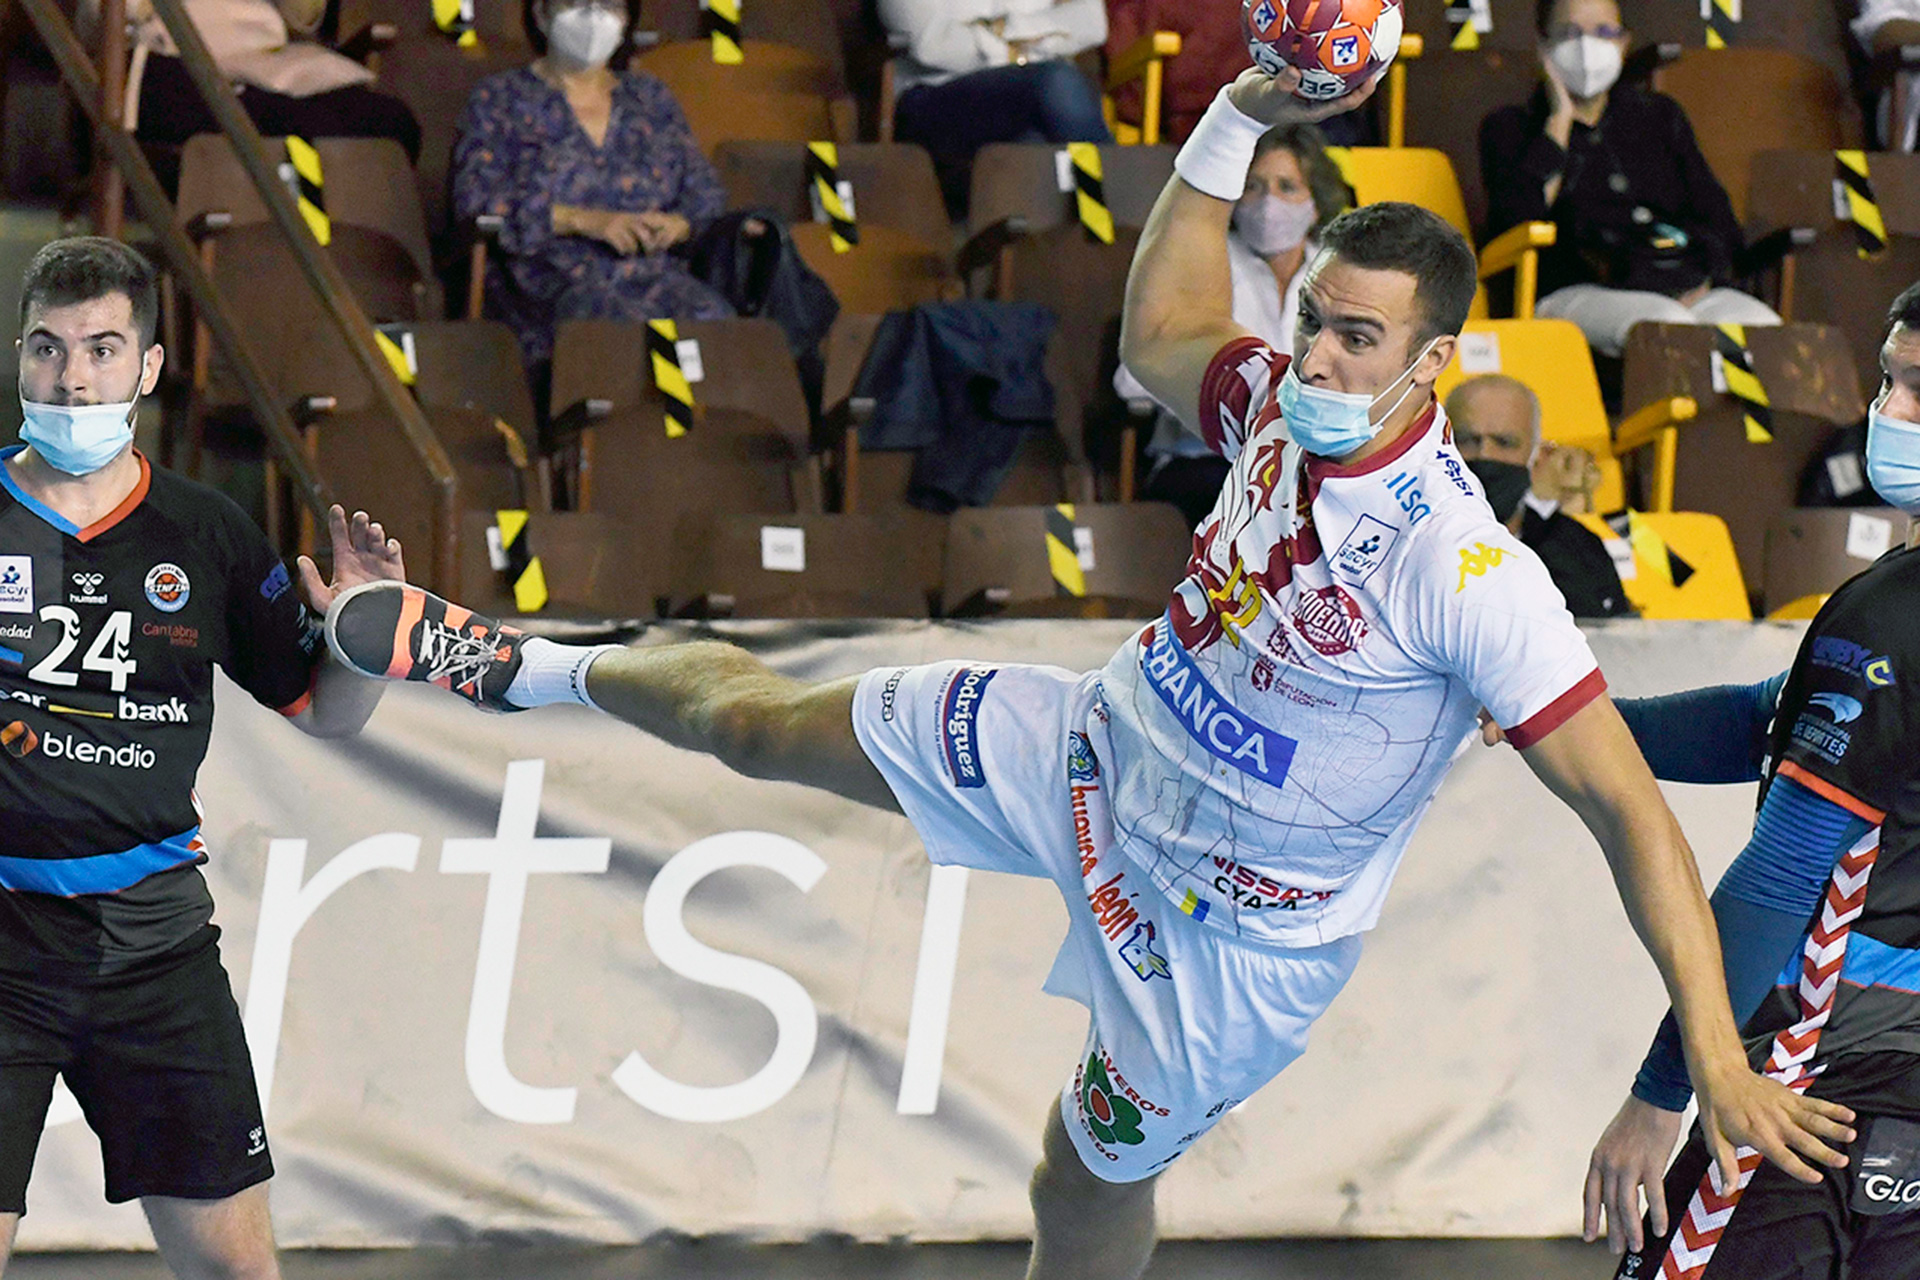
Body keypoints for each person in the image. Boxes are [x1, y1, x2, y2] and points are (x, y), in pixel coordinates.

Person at [319, 63, 1854, 1280]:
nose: (1317, 360)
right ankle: (518, 667)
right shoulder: (1269, 401)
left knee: (1083, 1173)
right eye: (1316, 322)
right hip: (1092, 753)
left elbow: (1635, 819)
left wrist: (1710, 1067)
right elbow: (1167, 319)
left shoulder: (1469, 579)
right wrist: (1237, 111)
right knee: (758, 721)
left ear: (1431, 364)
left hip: (1232, 946)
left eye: (1360, 344)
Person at [0, 237, 403, 1277]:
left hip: (155, 946)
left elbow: (325, 709)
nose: (72, 374)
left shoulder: (207, 531)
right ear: (20, 357)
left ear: (148, 367)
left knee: (237, 1272)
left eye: (100, 348)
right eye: (48, 347)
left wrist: (363, 632)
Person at [1577, 282, 1920, 1277]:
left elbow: (1780, 881)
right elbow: (1768, 717)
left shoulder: (1892, 621)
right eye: (1890, 379)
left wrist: (1664, 1090)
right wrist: (1552, 718)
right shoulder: (1879, 621)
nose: (1888, 414)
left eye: (1919, 391)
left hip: (1831, 1085)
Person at [1478, 0, 1780, 357]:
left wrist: (1698, 277)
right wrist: (1558, 119)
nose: (1588, 46)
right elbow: (1518, 218)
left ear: (1623, 43)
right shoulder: (1509, 127)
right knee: (1667, 327)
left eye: (1604, 32)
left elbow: (1717, 219)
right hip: (1576, 290)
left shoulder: (1658, 117)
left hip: (1682, 289)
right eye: (1570, 33)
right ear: (1543, 45)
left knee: (1766, 333)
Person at [452, 0, 733, 365]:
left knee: (720, 326)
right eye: (575, 2)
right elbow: (475, 202)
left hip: (652, 277)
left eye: (610, 5)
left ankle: (702, 421)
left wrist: (678, 224)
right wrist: (584, 220)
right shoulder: (500, 97)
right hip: (547, 287)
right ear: (541, 14)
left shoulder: (650, 98)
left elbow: (705, 193)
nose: (593, 16)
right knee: (622, 335)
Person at [1114, 121, 1347, 528]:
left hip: (1311, 466)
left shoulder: (1341, 277)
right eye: (1254, 186)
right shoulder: (1204, 262)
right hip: (1205, 463)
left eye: (1286, 187)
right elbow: (1132, 379)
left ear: (1316, 203)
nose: (1267, 203)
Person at [123, 0, 422, 168]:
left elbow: (304, 16)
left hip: (265, 63)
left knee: (390, 123)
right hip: (167, 58)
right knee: (295, 126)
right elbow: (101, 14)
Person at [881, 0, 1112, 213]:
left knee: (1033, 145)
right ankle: (1117, 217)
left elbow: (1092, 23)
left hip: (1039, 104)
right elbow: (931, 46)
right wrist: (1035, 43)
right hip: (936, 99)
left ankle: (1103, 233)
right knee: (1056, 83)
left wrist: (997, 34)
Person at [1447, 374, 1632, 618]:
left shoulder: (1578, 552)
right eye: (1467, 440)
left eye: (1505, 442)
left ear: (1537, 456)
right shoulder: (1397, 540)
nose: (1485, 454)